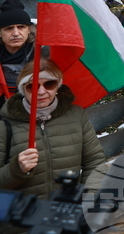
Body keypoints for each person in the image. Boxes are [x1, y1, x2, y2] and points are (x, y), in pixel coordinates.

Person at [0, 59, 106, 196]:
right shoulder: (5, 124)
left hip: (67, 209)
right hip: (26, 213)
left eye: (49, 84)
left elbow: (94, 160)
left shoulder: (77, 115)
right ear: (23, 89)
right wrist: (17, 169)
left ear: (58, 86)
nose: (41, 92)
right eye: (32, 86)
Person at [0, 0, 34, 102]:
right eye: (9, 28)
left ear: (28, 30)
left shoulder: (42, 54)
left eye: (21, 27)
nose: (16, 33)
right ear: (0, 33)